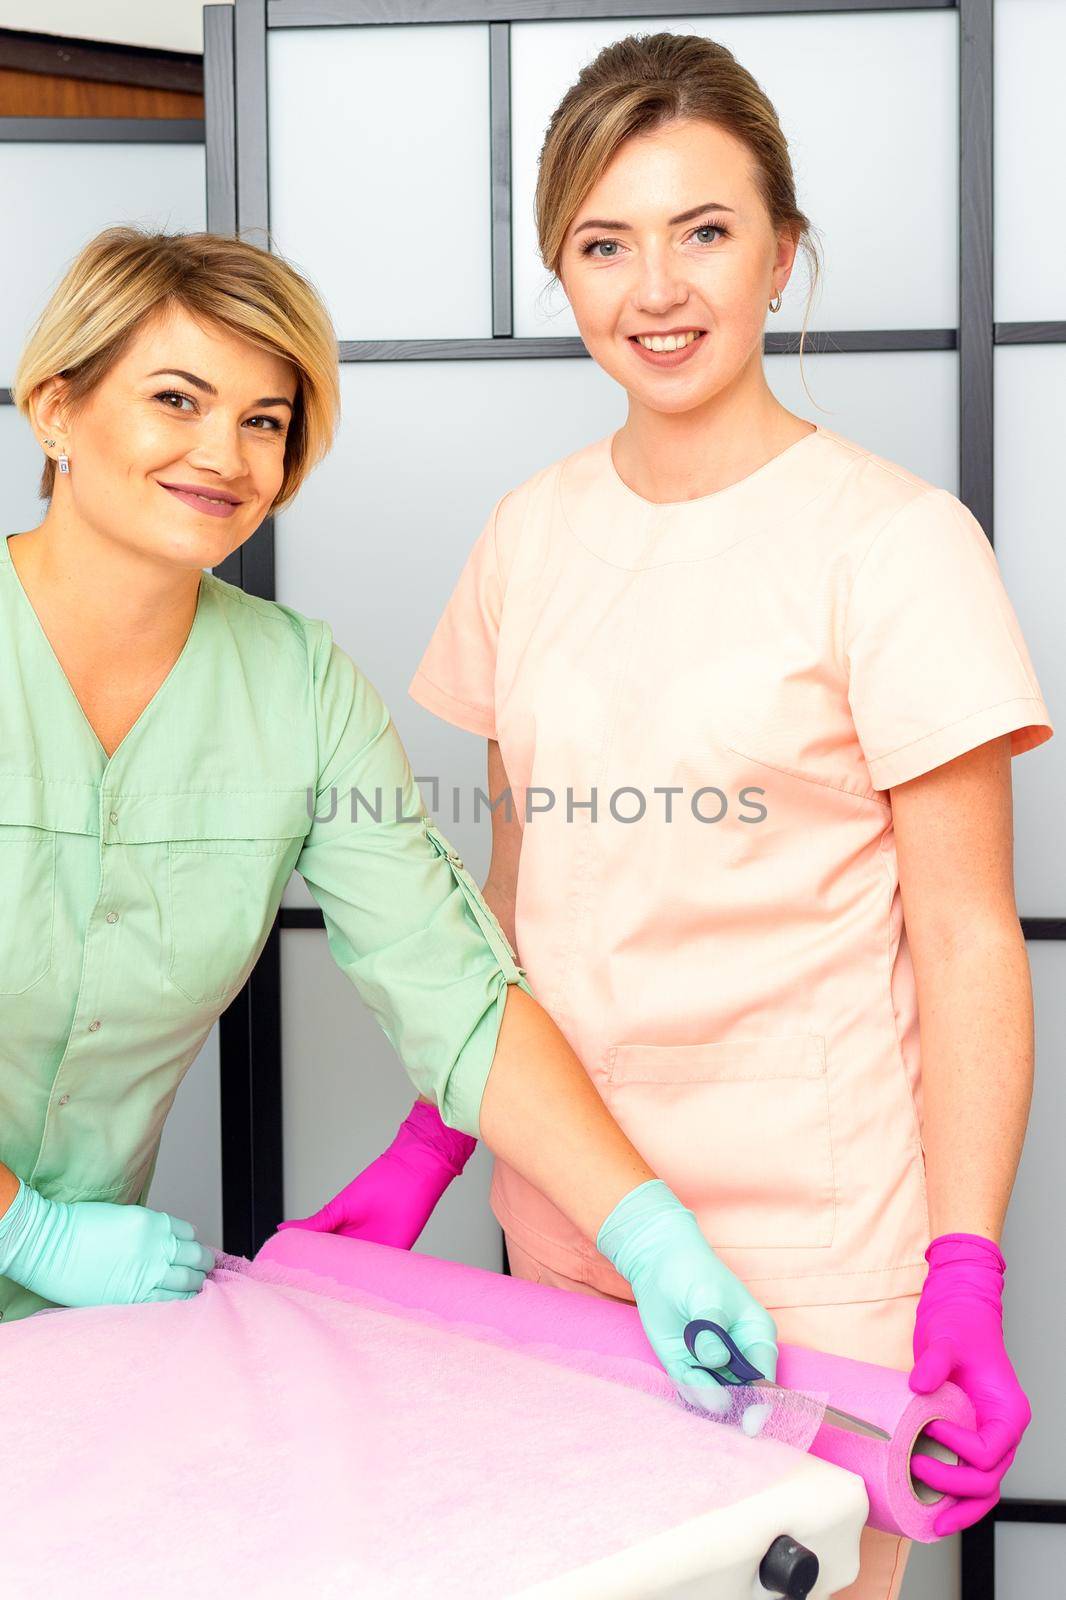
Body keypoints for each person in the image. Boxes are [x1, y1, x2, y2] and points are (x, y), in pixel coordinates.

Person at [296, 33, 1051, 1600]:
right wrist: (442, 1137)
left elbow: (968, 939)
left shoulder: (895, 546)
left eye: (704, 231)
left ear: (783, 253)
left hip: (812, 1230)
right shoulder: (529, 536)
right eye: (604, 242)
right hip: (571, 1207)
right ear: (560, 276)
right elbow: (519, 896)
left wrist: (961, 1268)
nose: (657, 287)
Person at [0, 224, 783, 1406]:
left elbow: (451, 987)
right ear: (56, 408)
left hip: (74, 1339)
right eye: (178, 399)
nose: (225, 452)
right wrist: (27, 1230)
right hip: (61, 1273)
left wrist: (647, 1233)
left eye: (264, 419)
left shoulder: (299, 685)